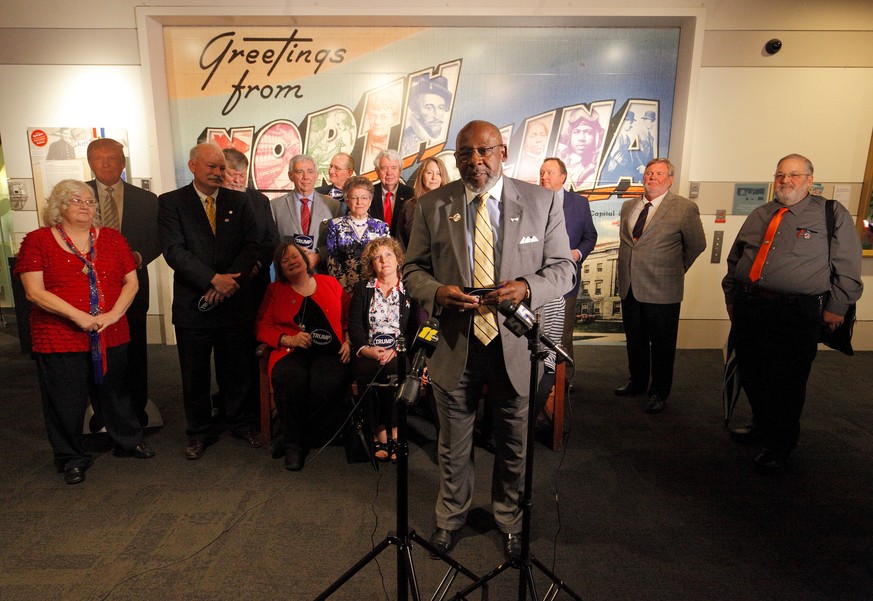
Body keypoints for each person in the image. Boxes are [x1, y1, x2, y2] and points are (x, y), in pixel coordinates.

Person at [403, 120, 575, 563]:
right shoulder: (433, 204)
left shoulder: (541, 201)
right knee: (452, 442)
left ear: (502, 151)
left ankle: (509, 520)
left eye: (484, 151)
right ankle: (450, 518)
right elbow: (412, 271)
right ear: (455, 157)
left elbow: (563, 269)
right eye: (465, 154)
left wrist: (526, 286)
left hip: (515, 344)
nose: (475, 161)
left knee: (514, 442)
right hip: (455, 343)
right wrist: (437, 292)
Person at [722, 154, 862, 472]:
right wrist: (732, 296)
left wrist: (837, 306)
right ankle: (762, 424)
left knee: (787, 381)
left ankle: (780, 444)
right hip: (751, 306)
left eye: (795, 175)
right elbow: (737, 257)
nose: (786, 181)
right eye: (781, 174)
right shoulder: (761, 213)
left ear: (810, 180)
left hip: (796, 313)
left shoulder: (831, 213)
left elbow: (848, 263)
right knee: (752, 371)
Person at [15, 180, 155, 485]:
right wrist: (79, 317)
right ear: (58, 206)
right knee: (67, 398)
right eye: (75, 200)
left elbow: (131, 282)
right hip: (60, 335)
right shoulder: (37, 241)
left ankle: (128, 440)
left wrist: (115, 314)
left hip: (110, 329)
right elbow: (33, 292)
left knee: (116, 390)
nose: (84, 206)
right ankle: (71, 457)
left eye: (89, 201)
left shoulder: (113, 239)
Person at [158, 143, 263, 460]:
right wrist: (212, 279)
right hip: (194, 305)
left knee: (237, 371)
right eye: (211, 167)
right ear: (192, 166)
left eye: (221, 168)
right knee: (195, 375)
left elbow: (252, 245)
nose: (218, 173)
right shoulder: (171, 203)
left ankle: (240, 423)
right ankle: (199, 432)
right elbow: (174, 251)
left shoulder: (239, 201)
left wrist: (230, 282)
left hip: (234, 303)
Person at [615, 158, 706, 413]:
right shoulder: (628, 206)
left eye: (659, 174)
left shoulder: (685, 208)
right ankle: (638, 382)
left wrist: (675, 270)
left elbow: (697, 244)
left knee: (663, 345)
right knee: (635, 340)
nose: (652, 177)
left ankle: (659, 392)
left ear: (669, 180)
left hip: (663, 289)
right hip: (630, 286)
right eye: (649, 172)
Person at [256, 242, 351, 471]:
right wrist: (288, 339)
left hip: (329, 352)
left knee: (325, 384)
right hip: (291, 352)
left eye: (294, 256)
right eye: (285, 260)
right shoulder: (275, 290)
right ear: (280, 268)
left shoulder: (329, 283)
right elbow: (262, 326)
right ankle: (294, 448)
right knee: (289, 379)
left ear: (305, 258)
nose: (291, 262)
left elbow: (349, 318)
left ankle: (292, 436)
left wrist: (349, 340)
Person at [86, 138, 161, 427]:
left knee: (134, 349)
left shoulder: (145, 199)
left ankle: (136, 406)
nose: (105, 164)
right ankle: (101, 410)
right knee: (96, 348)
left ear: (123, 162)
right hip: (89, 289)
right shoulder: (78, 196)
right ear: (90, 162)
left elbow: (158, 239)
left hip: (132, 287)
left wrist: (137, 257)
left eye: (112, 158)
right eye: (98, 158)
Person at [349, 237, 418, 462]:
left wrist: (398, 349)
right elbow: (355, 325)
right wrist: (366, 349)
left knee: (396, 371)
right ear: (372, 264)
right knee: (368, 372)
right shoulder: (362, 289)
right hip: (370, 350)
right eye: (377, 257)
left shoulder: (410, 290)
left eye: (388, 255)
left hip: (398, 351)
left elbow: (414, 328)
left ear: (398, 260)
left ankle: (397, 430)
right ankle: (379, 431)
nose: (383, 260)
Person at [539, 157, 598, 389]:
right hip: (537, 279)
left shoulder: (580, 203)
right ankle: (542, 376)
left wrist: (579, 253)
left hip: (566, 279)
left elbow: (590, 236)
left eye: (549, 172)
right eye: (542, 172)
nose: (544, 177)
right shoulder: (532, 200)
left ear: (562, 177)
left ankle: (564, 379)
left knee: (563, 332)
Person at [222, 147, 280, 308]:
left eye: (242, 175)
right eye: (232, 174)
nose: (237, 180)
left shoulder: (260, 201)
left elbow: (271, 239)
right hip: (222, 282)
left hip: (256, 282)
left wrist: (257, 264)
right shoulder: (212, 201)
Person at [270, 154, 342, 272]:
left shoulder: (333, 206)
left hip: (321, 275)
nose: (305, 177)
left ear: (316, 175)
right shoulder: (274, 206)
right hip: (288, 277)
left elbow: (338, 243)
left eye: (310, 172)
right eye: (299, 172)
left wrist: (319, 256)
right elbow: (271, 244)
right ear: (290, 176)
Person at [325, 176, 390, 294]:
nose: (359, 202)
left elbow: (386, 260)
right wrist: (348, 292)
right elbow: (333, 263)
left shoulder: (381, 227)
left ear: (370, 200)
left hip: (375, 290)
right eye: (354, 197)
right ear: (347, 200)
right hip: (343, 292)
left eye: (364, 198)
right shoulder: (335, 225)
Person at [397, 156, 449, 250]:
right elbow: (401, 243)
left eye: (438, 173)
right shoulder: (408, 207)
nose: (434, 177)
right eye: (429, 173)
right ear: (422, 175)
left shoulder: (451, 206)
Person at [400, 75, 452, 157]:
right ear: (416, 110)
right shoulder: (403, 143)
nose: (437, 116)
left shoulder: (449, 139)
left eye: (441, 108)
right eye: (429, 108)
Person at [559, 109, 604, 190]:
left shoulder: (603, 164)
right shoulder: (561, 159)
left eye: (588, 132)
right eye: (576, 132)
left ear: (596, 136)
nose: (582, 138)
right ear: (570, 135)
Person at [370, 149, 414, 233]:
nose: (389, 172)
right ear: (377, 171)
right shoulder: (368, 194)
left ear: (400, 171)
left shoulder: (411, 194)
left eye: (394, 168)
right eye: (384, 168)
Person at [362, 89, 401, 171]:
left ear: (394, 118)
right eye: (373, 116)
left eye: (384, 117)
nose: (377, 122)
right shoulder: (361, 145)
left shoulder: (403, 143)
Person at [515, 120, 550, 184]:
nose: (539, 140)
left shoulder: (552, 158)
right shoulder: (520, 163)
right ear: (525, 140)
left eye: (543, 135)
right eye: (533, 136)